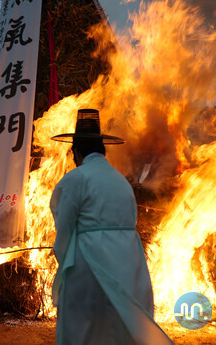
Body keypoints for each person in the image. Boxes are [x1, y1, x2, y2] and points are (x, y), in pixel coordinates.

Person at [49, 109, 171, 344]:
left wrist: (63, 262)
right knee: (120, 330)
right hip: (128, 266)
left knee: (85, 332)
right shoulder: (121, 181)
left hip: (87, 267)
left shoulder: (75, 179)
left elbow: (63, 229)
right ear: (102, 149)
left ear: (76, 151)